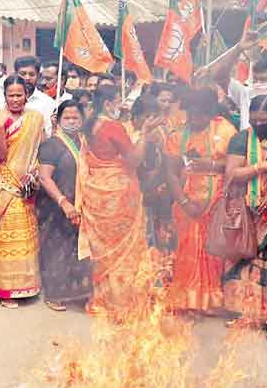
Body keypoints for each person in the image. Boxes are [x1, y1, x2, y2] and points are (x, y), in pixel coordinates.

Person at [166, 89, 236, 314]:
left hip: (217, 203)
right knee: (187, 250)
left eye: (201, 114)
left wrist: (212, 166)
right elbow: (170, 172)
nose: (195, 119)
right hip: (187, 205)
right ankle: (186, 299)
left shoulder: (225, 130)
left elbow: (236, 164)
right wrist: (184, 202)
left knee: (212, 251)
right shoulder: (177, 135)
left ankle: (210, 301)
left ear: (210, 112)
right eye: (192, 114)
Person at [80, 85, 148, 316]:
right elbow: (134, 161)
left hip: (95, 191)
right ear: (108, 103)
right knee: (122, 252)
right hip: (117, 193)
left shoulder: (89, 125)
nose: (121, 106)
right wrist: (144, 134)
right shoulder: (113, 126)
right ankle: (121, 304)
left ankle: (102, 299)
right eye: (118, 101)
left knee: (103, 251)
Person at [222, 95, 267, 325]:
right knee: (245, 258)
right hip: (245, 206)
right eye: (254, 121)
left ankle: (264, 313)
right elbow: (232, 173)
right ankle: (241, 312)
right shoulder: (241, 139)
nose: (258, 125)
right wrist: (262, 166)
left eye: (263, 121)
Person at [36, 99, 93, 311]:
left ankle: (78, 292)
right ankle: (55, 294)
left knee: (78, 248)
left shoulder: (84, 141)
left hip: (82, 203)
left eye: (75, 117)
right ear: (58, 120)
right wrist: (63, 202)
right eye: (66, 118)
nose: (71, 121)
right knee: (57, 248)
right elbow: (45, 178)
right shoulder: (52, 145)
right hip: (56, 205)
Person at [0, 76, 45, 308]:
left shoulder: (35, 118)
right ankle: (7, 291)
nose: (15, 99)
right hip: (7, 183)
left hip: (29, 184)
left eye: (19, 95)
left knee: (28, 234)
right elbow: (1, 156)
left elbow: (41, 148)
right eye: (11, 95)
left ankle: (29, 285)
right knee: (9, 237)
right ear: (5, 96)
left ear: (27, 95)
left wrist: (34, 174)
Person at [205, 31, 267, 132]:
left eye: (263, 80)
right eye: (255, 79)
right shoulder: (245, 94)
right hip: (246, 146)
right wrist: (239, 48)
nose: (257, 83)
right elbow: (220, 76)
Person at [134, 95, 175, 255]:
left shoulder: (162, 133)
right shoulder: (132, 135)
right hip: (137, 196)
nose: (151, 121)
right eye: (147, 117)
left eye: (155, 116)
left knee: (159, 239)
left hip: (160, 194)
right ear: (136, 117)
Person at [0, 56, 55, 137]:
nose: (27, 78)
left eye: (32, 74)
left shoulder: (48, 103)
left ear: (38, 76)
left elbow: (48, 135)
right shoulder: (2, 101)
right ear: (15, 74)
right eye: (23, 74)